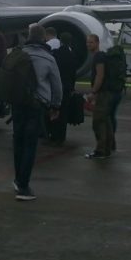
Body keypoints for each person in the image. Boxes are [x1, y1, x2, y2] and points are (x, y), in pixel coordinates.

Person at [12, 25, 62, 201]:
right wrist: (55, 106)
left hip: (17, 103)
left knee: (18, 141)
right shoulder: (48, 57)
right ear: (44, 39)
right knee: (30, 145)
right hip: (36, 104)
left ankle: (18, 180)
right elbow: (57, 85)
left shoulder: (18, 53)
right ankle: (23, 187)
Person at [84, 33, 114, 159]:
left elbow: (100, 75)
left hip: (102, 94)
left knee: (98, 122)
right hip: (105, 93)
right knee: (105, 122)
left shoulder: (99, 57)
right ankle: (107, 149)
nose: (88, 45)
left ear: (97, 43)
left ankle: (100, 151)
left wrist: (93, 92)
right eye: (87, 42)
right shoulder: (100, 56)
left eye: (91, 42)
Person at [46, 30, 78, 145]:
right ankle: (61, 137)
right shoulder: (73, 55)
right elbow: (74, 74)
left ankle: (53, 136)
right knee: (63, 113)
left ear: (60, 41)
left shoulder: (56, 54)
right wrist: (72, 87)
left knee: (54, 111)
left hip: (57, 86)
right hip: (68, 86)